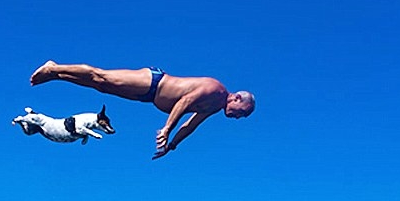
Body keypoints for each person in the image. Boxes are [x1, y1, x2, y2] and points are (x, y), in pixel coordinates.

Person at [30, 62, 255, 159]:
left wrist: (172, 145)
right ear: (236, 98)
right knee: (101, 76)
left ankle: (56, 75)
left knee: (101, 87)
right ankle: (54, 68)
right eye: (241, 112)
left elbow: (190, 125)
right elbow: (184, 102)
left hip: (148, 97)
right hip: (153, 82)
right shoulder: (215, 90)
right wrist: (167, 128)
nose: (237, 117)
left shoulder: (215, 107)